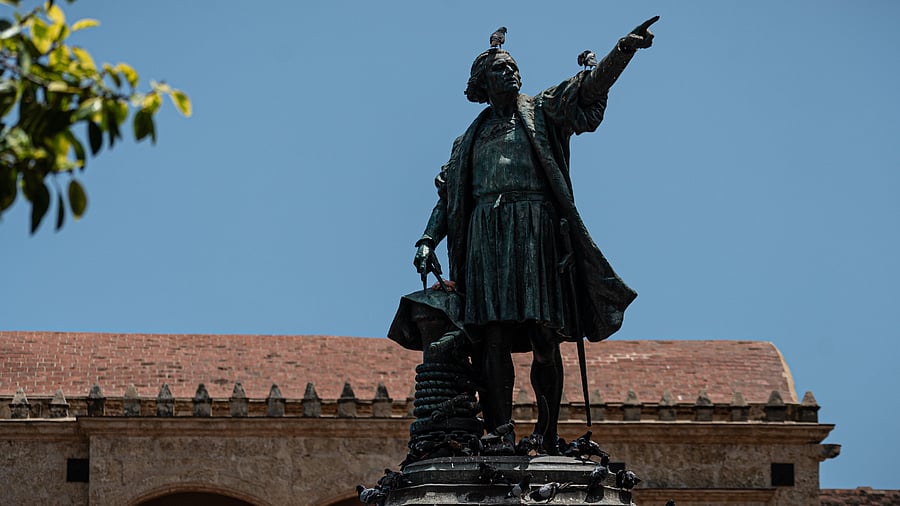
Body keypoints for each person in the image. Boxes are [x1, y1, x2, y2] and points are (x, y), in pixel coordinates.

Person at [413, 17, 656, 453]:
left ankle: (546, 431)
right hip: (486, 235)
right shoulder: (468, 140)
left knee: (546, 335)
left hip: (536, 230)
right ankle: (500, 430)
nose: (512, 71)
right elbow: (450, 200)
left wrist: (622, 52)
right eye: (501, 68)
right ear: (482, 83)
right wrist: (428, 238)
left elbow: (586, 90)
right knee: (493, 336)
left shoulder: (542, 111)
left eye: (513, 66)